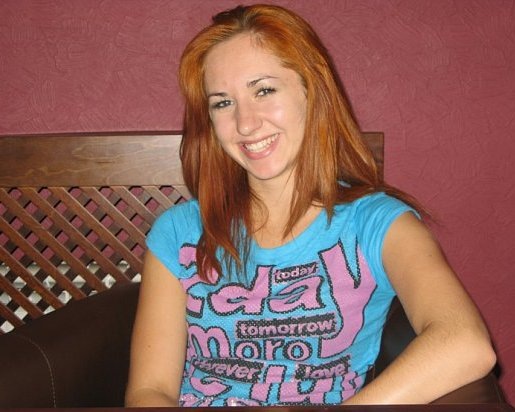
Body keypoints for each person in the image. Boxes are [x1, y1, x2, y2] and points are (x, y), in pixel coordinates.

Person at [125, 4, 496, 407]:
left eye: (264, 90)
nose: (245, 123)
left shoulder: (379, 223)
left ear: (311, 91)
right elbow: (150, 390)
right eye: (222, 103)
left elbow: (465, 342)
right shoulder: (178, 232)